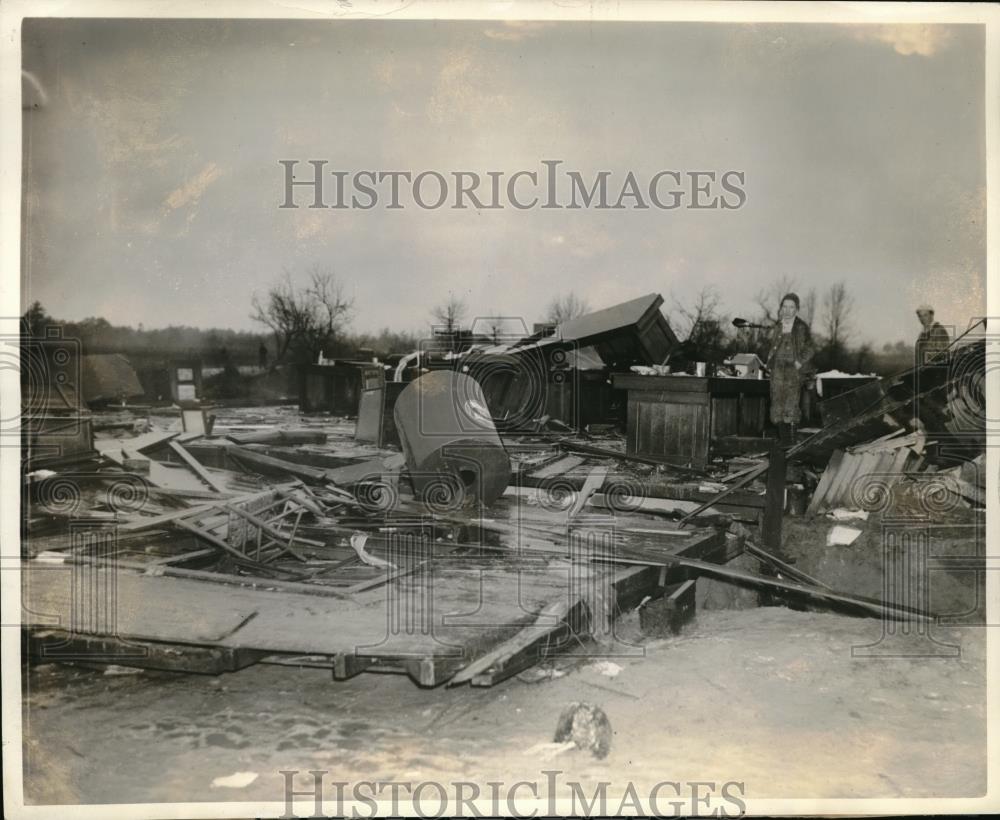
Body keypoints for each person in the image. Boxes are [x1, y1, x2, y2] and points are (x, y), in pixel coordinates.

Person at [763, 292, 815, 446]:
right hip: (778, 369)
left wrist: (799, 362)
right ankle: (783, 443)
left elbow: (811, 348)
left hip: (793, 370)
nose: (787, 310)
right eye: (784, 307)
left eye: (791, 307)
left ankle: (791, 445)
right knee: (777, 404)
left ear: (796, 310)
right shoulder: (778, 326)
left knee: (791, 405)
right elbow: (772, 348)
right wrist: (769, 363)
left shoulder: (801, 327)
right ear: (781, 309)